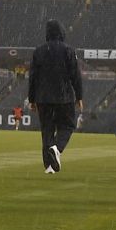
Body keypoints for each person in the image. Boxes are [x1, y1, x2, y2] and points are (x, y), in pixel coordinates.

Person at [27, 19, 83, 173]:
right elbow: (75, 75)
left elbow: (33, 77)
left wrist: (32, 99)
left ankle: (49, 166)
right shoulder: (68, 50)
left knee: (47, 130)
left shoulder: (39, 51)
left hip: (43, 98)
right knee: (68, 125)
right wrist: (79, 96)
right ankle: (57, 149)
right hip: (64, 96)